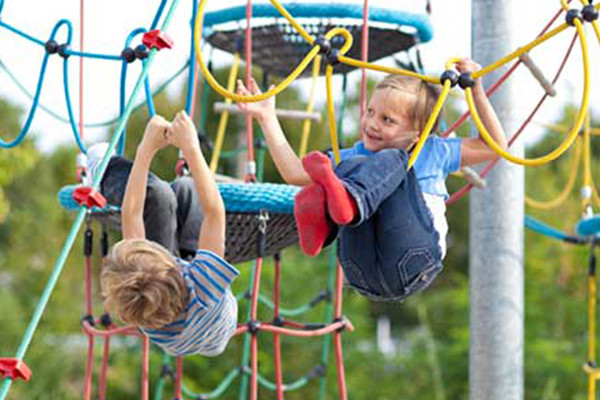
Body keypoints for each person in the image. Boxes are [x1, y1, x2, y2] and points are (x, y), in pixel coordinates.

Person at [237, 58, 507, 301]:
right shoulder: (355, 155)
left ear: (418, 133)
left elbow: (494, 145)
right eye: (370, 112)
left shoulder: (433, 150)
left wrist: (476, 91)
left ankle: (341, 204)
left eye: (388, 120)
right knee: (348, 166)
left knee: (393, 160)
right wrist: (267, 118)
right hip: (361, 272)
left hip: (414, 261)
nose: (372, 124)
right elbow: (296, 174)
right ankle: (331, 209)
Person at [100, 111, 239, 356]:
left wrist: (147, 148)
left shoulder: (138, 305)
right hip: (216, 326)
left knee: (176, 191)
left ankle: (105, 171)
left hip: (173, 321)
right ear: (170, 263)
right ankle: (107, 170)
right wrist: (190, 147)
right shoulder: (205, 287)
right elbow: (215, 212)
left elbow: (132, 214)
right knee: (184, 189)